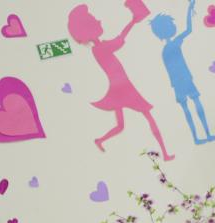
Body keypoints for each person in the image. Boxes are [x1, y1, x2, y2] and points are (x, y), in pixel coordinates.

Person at [68, 3, 175, 160]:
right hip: (123, 88)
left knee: (121, 125)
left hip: (119, 87)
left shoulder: (100, 47)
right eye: (94, 20)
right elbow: (119, 40)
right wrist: (132, 21)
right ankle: (165, 153)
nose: (99, 21)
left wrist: (133, 21)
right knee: (147, 115)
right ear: (88, 29)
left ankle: (100, 140)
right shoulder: (99, 48)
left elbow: (118, 41)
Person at [150, 0, 215, 145]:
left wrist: (174, 83)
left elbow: (169, 70)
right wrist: (189, 8)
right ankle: (206, 134)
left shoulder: (164, 51)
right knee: (196, 103)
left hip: (177, 82)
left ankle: (196, 138)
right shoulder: (175, 43)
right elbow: (188, 29)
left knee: (187, 109)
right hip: (185, 79)